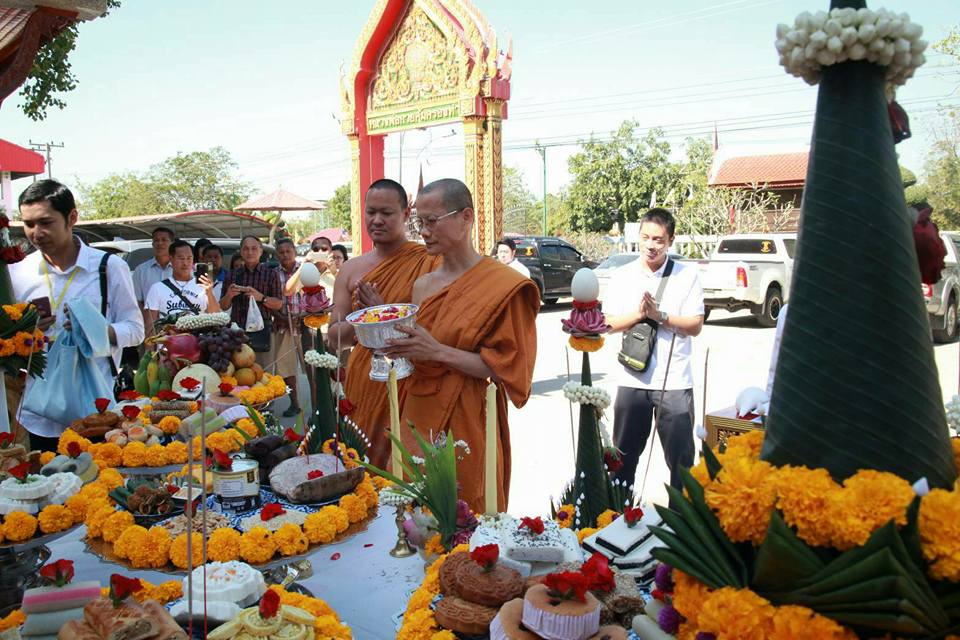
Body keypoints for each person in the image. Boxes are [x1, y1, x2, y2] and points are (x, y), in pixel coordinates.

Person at [386, 179, 539, 513]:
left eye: (432, 221)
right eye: (419, 223)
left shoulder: (501, 285)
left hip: (468, 412)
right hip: (418, 410)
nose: (424, 231)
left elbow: (507, 369)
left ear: (466, 217)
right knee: (411, 513)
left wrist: (438, 352)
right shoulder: (424, 285)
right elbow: (418, 350)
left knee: (466, 511)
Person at [11, 180, 144, 450]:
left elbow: (136, 329)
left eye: (46, 222)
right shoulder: (17, 273)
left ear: (72, 217)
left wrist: (99, 329)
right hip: (39, 411)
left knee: (97, 487)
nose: (36, 233)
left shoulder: (108, 267)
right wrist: (25, 331)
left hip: (96, 410)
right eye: (29, 224)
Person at [328, 179, 440, 468]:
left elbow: (438, 328)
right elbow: (335, 337)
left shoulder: (429, 262)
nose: (376, 220)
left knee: (402, 467)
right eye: (371, 212)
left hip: (409, 376)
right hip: (366, 378)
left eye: (387, 213)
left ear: (405, 214)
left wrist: (383, 313)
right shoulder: (351, 269)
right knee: (362, 464)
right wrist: (369, 322)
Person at [604, 207, 704, 491]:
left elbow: (696, 324)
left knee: (681, 463)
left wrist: (660, 316)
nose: (651, 245)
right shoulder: (623, 275)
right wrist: (639, 315)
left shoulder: (687, 275)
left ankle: (679, 526)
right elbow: (607, 323)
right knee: (621, 460)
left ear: (670, 240)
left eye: (658, 239)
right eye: (646, 237)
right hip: (631, 380)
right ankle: (618, 522)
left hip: (674, 382)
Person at [220, 236, 283, 368]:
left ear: (261, 251)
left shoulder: (271, 274)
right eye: (246, 249)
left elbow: (278, 304)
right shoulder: (232, 275)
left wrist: (261, 297)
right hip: (237, 332)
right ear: (241, 252)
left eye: (254, 248)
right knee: (239, 375)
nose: (250, 252)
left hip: (262, 331)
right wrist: (229, 295)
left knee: (263, 373)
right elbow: (223, 306)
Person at [143, 240, 219, 334]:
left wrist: (209, 292)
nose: (185, 263)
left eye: (189, 258)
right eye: (181, 258)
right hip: (168, 345)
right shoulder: (157, 289)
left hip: (197, 344)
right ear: (171, 259)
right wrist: (150, 348)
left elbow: (215, 316)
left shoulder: (204, 286)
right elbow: (150, 327)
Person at [272, 238, 306, 417]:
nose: (285, 255)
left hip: (306, 327)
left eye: (288, 251)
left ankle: (318, 405)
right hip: (283, 327)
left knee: (313, 369)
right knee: (286, 370)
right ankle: (295, 403)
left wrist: (304, 317)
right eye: (281, 252)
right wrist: (281, 317)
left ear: (294, 251)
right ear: (276, 254)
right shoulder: (273, 274)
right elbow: (270, 301)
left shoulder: (305, 269)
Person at [131, 227, 175, 323]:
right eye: (156, 240)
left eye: (164, 240)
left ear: (172, 244)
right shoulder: (141, 271)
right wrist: (148, 323)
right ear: (152, 244)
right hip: (151, 327)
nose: (160, 243)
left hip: (177, 327)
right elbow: (137, 301)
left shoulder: (181, 269)